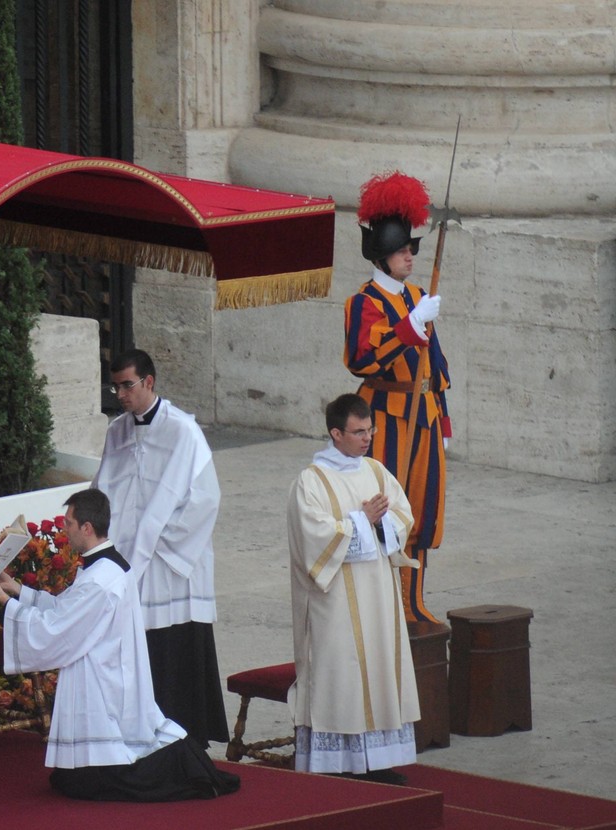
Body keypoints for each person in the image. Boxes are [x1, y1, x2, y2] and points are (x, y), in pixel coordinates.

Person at [0, 489, 239, 801]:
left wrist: (3, 601)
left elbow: (58, 631)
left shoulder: (100, 579)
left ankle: (185, 772)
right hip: (108, 665)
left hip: (103, 678)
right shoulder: (102, 566)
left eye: (69, 523)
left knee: (100, 778)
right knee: (72, 780)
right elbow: (68, 610)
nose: (65, 529)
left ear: (86, 528)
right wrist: (19, 590)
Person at [91, 349, 229, 746]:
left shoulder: (183, 430)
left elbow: (205, 500)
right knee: (139, 647)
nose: (120, 394)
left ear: (149, 382)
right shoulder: (116, 431)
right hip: (129, 560)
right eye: (115, 386)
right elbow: (105, 489)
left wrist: (157, 546)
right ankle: (141, 736)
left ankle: (187, 737)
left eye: (127, 385)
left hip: (171, 566)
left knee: (174, 647)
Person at [287, 393, 420, 785]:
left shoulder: (377, 472)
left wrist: (381, 524)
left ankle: (379, 760)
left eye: (370, 430)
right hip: (335, 603)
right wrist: (361, 520)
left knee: (379, 668)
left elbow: (402, 516)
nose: (367, 439)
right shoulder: (311, 482)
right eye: (359, 432)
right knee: (341, 676)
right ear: (335, 433)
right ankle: (340, 764)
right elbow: (313, 538)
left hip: (378, 596)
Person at [345, 170, 452, 623]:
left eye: (411, 250)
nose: (410, 257)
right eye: (403, 251)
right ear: (383, 258)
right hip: (387, 416)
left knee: (425, 510)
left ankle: (413, 602)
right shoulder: (363, 302)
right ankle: (387, 603)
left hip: (423, 414)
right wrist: (410, 326)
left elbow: (436, 366)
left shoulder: (417, 295)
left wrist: (443, 419)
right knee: (391, 505)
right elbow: (364, 359)